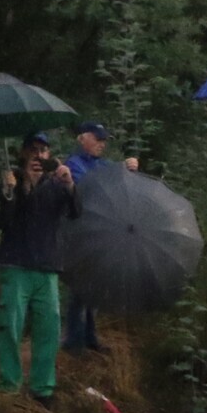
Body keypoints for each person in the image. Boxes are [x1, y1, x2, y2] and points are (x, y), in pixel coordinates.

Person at [0, 135, 82, 407]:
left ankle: (43, 387)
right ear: (23, 154)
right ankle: (9, 385)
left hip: (47, 266)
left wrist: (70, 183)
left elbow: (76, 212)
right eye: (33, 151)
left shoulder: (57, 184)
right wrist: (18, 189)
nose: (38, 156)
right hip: (16, 263)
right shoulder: (12, 181)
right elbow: (6, 220)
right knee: (10, 326)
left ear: (49, 155)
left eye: (43, 151)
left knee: (48, 328)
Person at [59, 123, 136, 356]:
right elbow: (90, 187)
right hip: (78, 234)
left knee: (95, 287)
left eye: (104, 140)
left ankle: (90, 337)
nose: (102, 144)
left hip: (97, 235)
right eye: (98, 139)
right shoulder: (73, 164)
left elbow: (114, 179)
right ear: (83, 139)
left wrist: (127, 168)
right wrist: (119, 170)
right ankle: (74, 340)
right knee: (81, 288)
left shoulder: (102, 164)